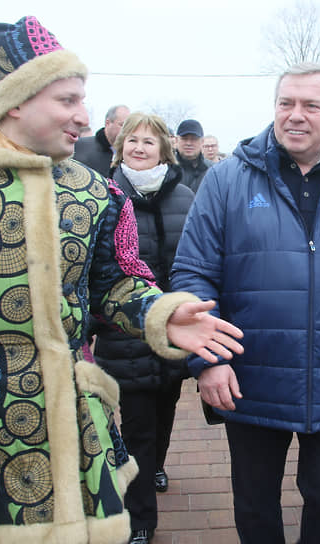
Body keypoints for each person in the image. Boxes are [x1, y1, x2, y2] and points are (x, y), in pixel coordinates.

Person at [0, 17, 243, 543]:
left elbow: (119, 281)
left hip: (71, 421)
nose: (83, 116)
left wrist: (161, 311)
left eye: (82, 100)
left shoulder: (97, 194)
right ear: (17, 100)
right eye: (67, 100)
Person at [170, 62, 320, 544]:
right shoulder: (227, 180)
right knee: (255, 503)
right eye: (286, 103)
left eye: (310, 105)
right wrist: (207, 362)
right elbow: (192, 273)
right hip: (250, 374)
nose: (295, 115)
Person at [92, 112, 195, 544]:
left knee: (165, 406)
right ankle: (141, 521)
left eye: (148, 141)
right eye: (131, 140)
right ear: (119, 149)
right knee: (136, 424)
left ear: (163, 150)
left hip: (175, 327)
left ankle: (156, 462)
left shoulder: (185, 197)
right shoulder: (103, 196)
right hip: (125, 328)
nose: (138, 147)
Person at [74, 104, 130, 176]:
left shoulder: (128, 155)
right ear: (108, 123)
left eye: (128, 126)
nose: (126, 130)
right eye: (122, 125)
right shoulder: (80, 147)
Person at [175, 119, 213, 192]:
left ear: (202, 141)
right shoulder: (165, 169)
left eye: (194, 139)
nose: (189, 143)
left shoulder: (213, 170)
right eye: (184, 139)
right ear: (176, 140)